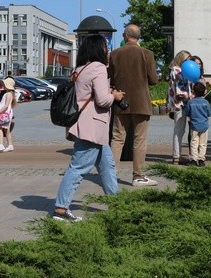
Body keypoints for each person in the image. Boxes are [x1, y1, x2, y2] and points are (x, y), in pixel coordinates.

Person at [52, 34, 124, 222]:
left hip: (87, 126)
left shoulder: (80, 68)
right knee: (78, 168)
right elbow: (102, 100)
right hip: (91, 128)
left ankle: (118, 205)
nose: (107, 50)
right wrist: (114, 96)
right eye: (105, 47)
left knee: (107, 167)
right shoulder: (98, 68)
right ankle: (61, 208)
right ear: (98, 49)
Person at [109, 24, 159, 186]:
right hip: (141, 102)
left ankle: (110, 174)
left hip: (120, 101)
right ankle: (138, 175)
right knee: (140, 140)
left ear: (125, 36)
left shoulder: (115, 54)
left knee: (117, 138)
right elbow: (153, 80)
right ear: (139, 37)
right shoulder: (147, 54)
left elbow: (110, 78)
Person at [167, 50, 193, 165]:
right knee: (179, 130)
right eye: (187, 60)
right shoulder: (177, 71)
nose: (189, 63)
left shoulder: (177, 70)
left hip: (180, 102)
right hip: (181, 103)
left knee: (180, 130)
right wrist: (187, 96)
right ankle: (176, 156)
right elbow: (179, 88)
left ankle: (177, 155)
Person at [184, 82, 211, 166]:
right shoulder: (206, 102)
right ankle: (201, 160)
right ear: (204, 92)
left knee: (194, 143)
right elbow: (209, 114)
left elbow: (187, 113)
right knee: (203, 143)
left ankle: (193, 159)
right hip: (204, 125)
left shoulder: (190, 102)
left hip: (194, 125)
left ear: (193, 92)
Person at [0, 78, 17, 153]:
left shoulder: (8, 94)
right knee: (6, 130)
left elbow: (6, 105)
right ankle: (10, 145)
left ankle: (1, 144)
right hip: (6, 113)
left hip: (4, 113)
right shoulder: (9, 94)